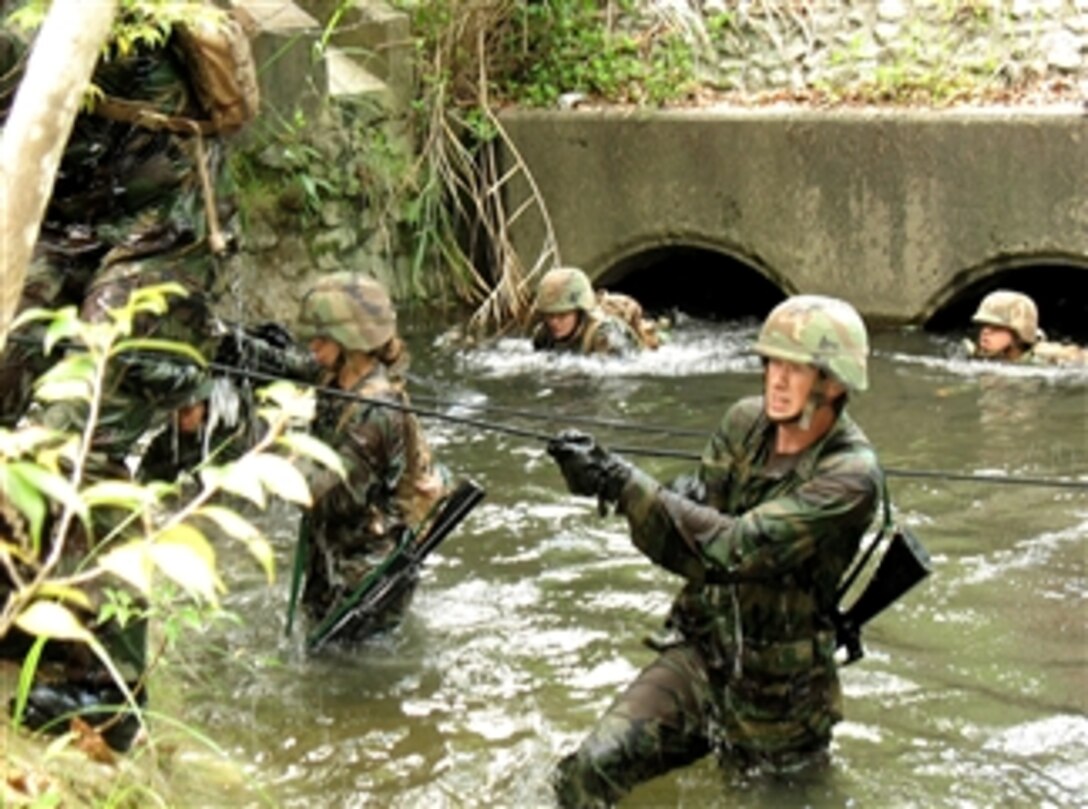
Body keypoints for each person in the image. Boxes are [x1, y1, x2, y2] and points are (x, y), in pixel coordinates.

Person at [1, 7, 256, 750]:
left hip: (165, 231)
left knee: (78, 422)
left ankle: (104, 685)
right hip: (56, 219)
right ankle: (23, 616)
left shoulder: (60, 26)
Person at [546, 294, 883, 805]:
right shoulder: (744, 423)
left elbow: (732, 550)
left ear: (833, 381)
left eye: (797, 368)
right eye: (772, 363)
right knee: (589, 771)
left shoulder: (851, 477)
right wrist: (648, 485)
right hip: (703, 653)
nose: (777, 379)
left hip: (783, 700)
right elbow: (704, 505)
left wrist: (621, 483)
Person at [293, 271, 447, 643]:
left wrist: (274, 459)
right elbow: (284, 364)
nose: (311, 346)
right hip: (332, 559)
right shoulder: (335, 379)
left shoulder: (377, 412)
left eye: (321, 338)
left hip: (367, 577)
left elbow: (335, 498)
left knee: (351, 676)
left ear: (351, 342)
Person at [530, 267, 645, 356]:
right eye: (549, 315)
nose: (554, 322)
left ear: (579, 312)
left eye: (562, 315)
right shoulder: (544, 335)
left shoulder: (606, 334)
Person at [966, 290, 1086, 365]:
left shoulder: (1047, 357)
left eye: (996, 327)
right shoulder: (976, 355)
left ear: (1018, 333)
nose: (985, 332)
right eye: (983, 325)